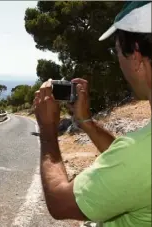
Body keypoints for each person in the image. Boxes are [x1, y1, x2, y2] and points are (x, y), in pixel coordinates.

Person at [32, 1, 151, 227]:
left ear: (135, 57)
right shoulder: (138, 152)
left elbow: (59, 202)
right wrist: (86, 122)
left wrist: (47, 131)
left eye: (117, 52)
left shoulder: (140, 154)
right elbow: (128, 162)